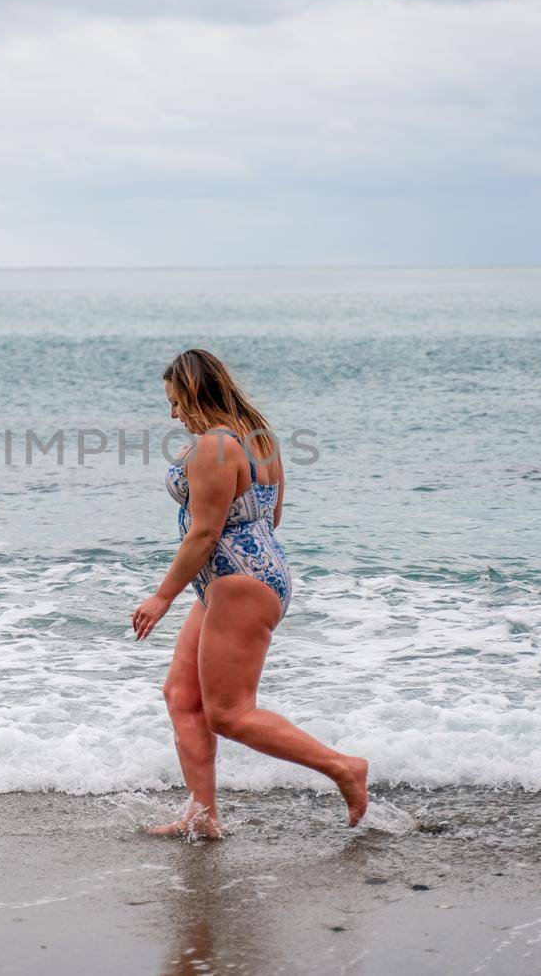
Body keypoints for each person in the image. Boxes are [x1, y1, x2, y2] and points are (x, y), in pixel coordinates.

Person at [132, 349, 369, 837]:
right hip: (242, 575)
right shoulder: (258, 436)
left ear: (194, 393)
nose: (171, 413)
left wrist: (162, 597)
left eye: (174, 401)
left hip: (237, 582)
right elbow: (271, 515)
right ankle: (202, 816)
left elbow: (204, 534)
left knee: (229, 713)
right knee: (181, 695)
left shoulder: (213, 447)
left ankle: (344, 767)